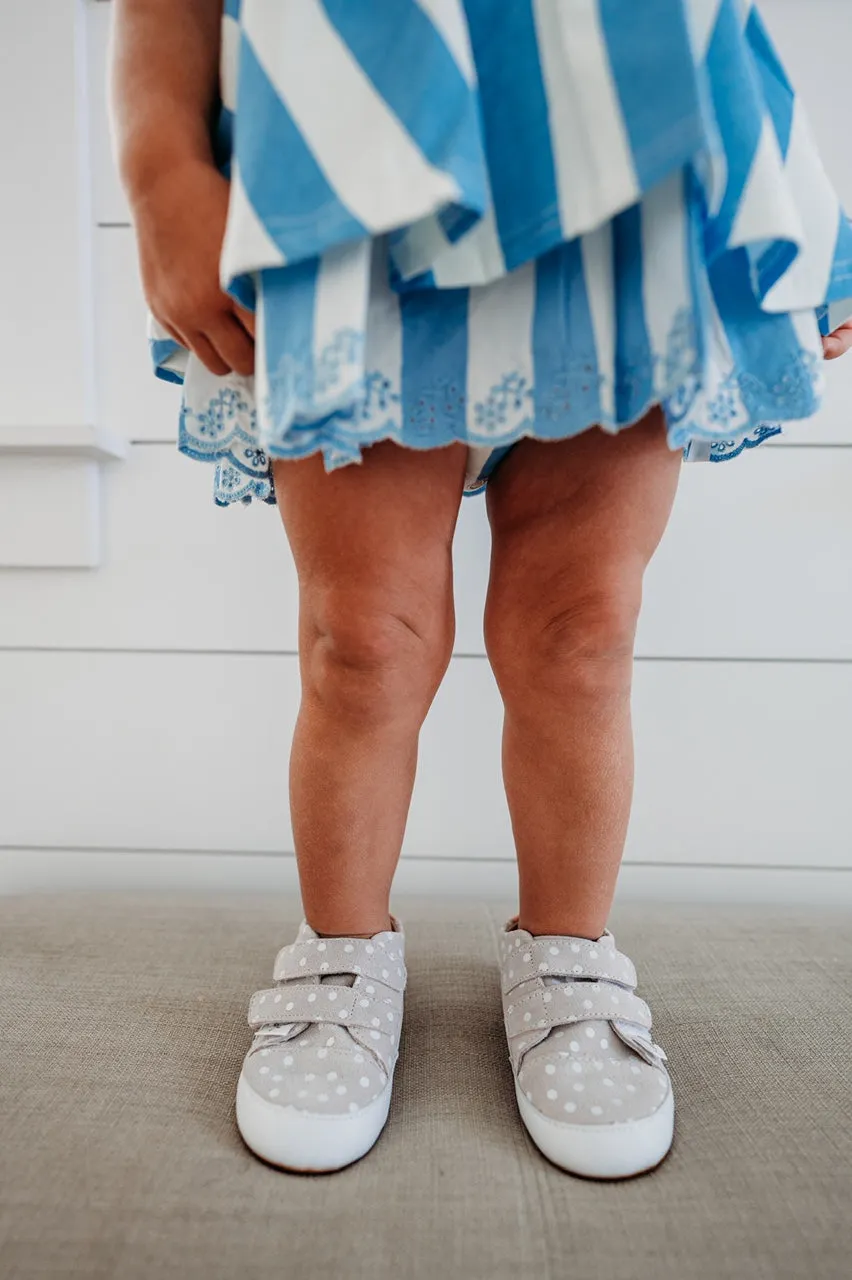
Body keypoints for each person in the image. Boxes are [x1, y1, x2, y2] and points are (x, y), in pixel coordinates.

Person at [110, 0, 852, 1179]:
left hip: (642, 151)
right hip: (339, 148)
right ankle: (342, 953)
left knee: (585, 631)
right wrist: (161, 161)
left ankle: (568, 952)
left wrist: (793, 197)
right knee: (362, 638)